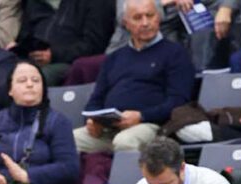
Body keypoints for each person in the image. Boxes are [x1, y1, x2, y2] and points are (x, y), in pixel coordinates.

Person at [73, 0, 194, 157]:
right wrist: (92, 121)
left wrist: (142, 116)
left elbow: (179, 101)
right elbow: (96, 99)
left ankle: (127, 182)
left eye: (149, 16)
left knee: (125, 142)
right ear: (126, 23)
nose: (145, 23)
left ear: (158, 18)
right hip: (108, 129)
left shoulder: (175, 54)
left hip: (151, 126)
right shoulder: (114, 58)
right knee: (68, 141)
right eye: (137, 18)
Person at [16, 0, 117, 85]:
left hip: (68, 62)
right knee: (6, 70)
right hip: (31, 56)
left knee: (34, 78)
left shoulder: (98, 3)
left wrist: (53, 55)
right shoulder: (36, 2)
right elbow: (25, 33)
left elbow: (94, 46)